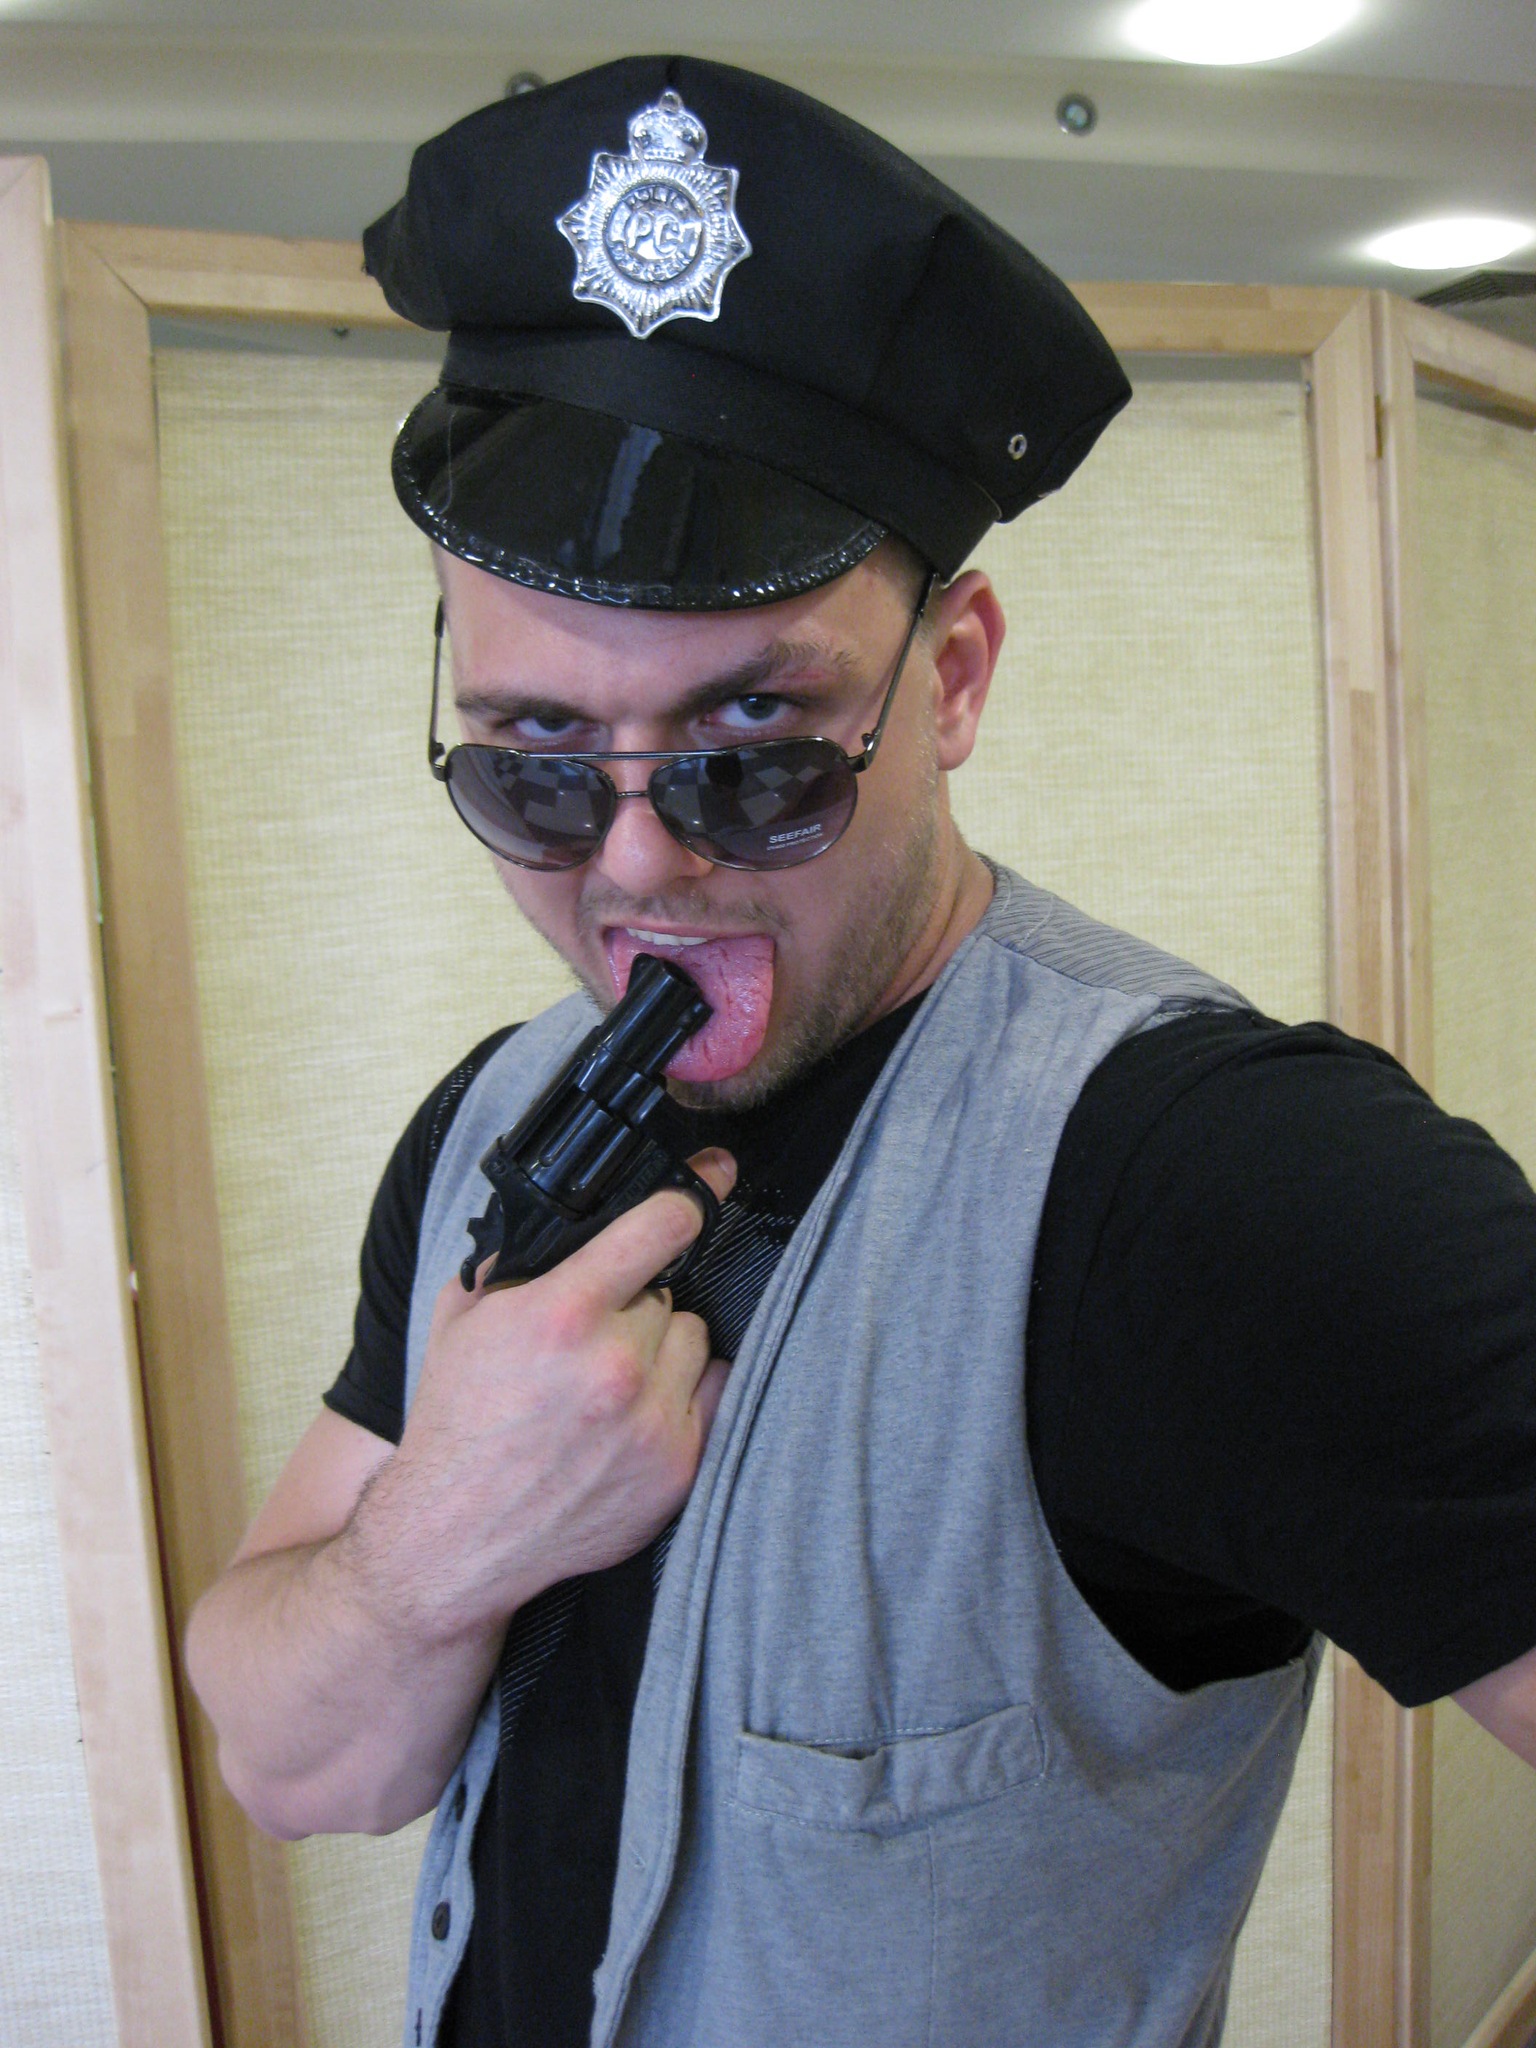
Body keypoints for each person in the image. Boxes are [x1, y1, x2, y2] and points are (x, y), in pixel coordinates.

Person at [185, 54, 1536, 2048]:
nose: (634, 873)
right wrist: (426, 1556)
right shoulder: (490, 1122)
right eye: (535, 765)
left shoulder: (1227, 1188)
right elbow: (300, 1764)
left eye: (753, 753)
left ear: (953, 678)